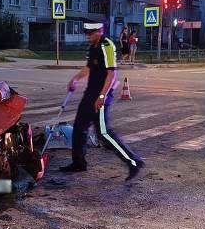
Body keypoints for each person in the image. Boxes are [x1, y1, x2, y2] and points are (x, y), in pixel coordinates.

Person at [60, 22, 144, 180]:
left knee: (103, 133)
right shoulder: (93, 46)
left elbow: (111, 74)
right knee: (79, 127)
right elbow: (89, 67)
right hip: (90, 93)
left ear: (99, 31)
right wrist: (75, 79)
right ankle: (78, 163)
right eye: (87, 33)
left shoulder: (107, 45)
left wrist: (102, 96)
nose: (88, 36)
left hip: (101, 95)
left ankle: (133, 161)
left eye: (90, 33)